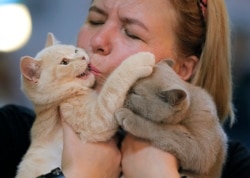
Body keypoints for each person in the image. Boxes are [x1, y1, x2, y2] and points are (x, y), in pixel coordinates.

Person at [0, 0, 250, 177]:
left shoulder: (234, 167)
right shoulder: (12, 133)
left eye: (131, 33)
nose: (97, 41)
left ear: (180, 70)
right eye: (95, 20)